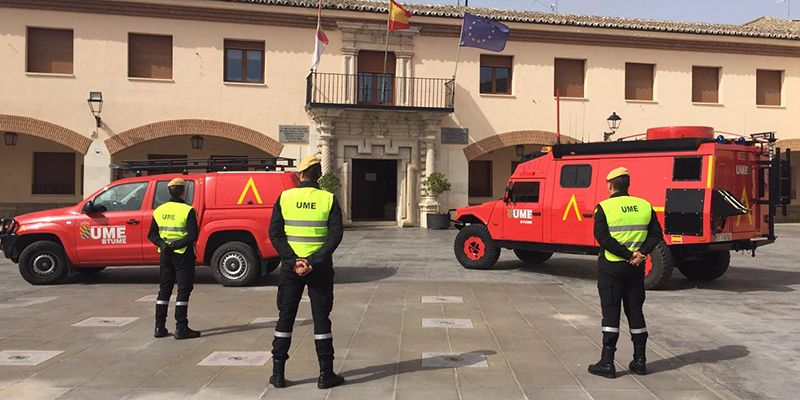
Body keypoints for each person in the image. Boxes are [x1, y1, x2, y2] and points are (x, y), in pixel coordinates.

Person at [268, 155, 345, 389]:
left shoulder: (285, 197)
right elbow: (335, 235)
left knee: (286, 317)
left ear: (301, 174)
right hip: (319, 269)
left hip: (291, 269)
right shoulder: (328, 199)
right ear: (319, 175)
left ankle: (278, 373)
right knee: (321, 318)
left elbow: (275, 233)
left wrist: (293, 261)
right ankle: (325, 373)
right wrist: (313, 261)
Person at [588, 167, 663, 379]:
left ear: (610, 184)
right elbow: (657, 233)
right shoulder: (644, 205)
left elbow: (602, 238)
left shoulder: (604, 207)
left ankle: (607, 362)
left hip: (612, 267)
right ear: (627, 184)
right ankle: (640, 361)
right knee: (635, 311)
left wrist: (626, 254)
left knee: (611, 312)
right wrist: (640, 253)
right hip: (636, 269)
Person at [147, 177, 201, 340]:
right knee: (183, 290)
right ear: (183, 191)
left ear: (169, 191)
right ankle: (181, 327)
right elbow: (193, 235)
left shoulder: (159, 210)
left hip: (165, 255)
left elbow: (152, 234)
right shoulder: (188, 210)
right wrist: (176, 245)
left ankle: (159, 326)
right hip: (183, 254)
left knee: (165, 289)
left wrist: (164, 245)